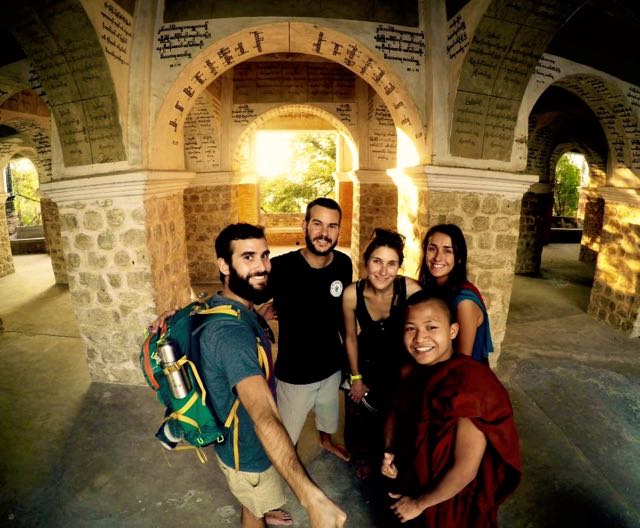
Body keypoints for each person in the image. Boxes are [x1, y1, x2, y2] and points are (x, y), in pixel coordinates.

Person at [187, 223, 346, 528]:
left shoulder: (229, 306)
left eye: (264, 255)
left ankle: (262, 508)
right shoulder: (232, 336)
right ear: (224, 265)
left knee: (256, 501)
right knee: (253, 509)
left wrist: (258, 317)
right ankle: (259, 512)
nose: (261, 266)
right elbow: (264, 417)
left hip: (236, 441)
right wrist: (311, 498)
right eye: (248, 257)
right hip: (249, 451)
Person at [381, 291, 521, 526]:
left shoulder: (468, 385)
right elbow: (395, 411)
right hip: (412, 478)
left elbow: (465, 469)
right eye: (410, 328)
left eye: (431, 327)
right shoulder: (409, 372)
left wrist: (419, 504)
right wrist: (388, 452)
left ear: (453, 331)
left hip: (447, 497)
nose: (420, 338)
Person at [267, 198, 352, 461]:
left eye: (332, 226)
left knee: (328, 415)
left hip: (331, 367)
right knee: (285, 438)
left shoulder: (343, 264)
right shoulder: (281, 268)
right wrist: (260, 311)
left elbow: (343, 313)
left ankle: (326, 441)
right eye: (317, 224)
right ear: (304, 225)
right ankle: (289, 465)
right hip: (295, 373)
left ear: (338, 230)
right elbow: (244, 294)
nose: (324, 233)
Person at [341, 227, 421, 478]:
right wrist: (356, 378)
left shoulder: (410, 289)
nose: (383, 271)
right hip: (366, 361)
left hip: (400, 362)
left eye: (391, 264)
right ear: (366, 262)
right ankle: (362, 457)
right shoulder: (352, 293)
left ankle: (391, 457)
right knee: (358, 410)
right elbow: (350, 337)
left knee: (396, 413)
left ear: (399, 267)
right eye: (377, 261)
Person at [418, 224, 493, 363]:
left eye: (447, 251)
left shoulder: (464, 303)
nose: (437, 257)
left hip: (462, 372)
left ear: (459, 257)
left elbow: (462, 361)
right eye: (432, 249)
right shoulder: (433, 288)